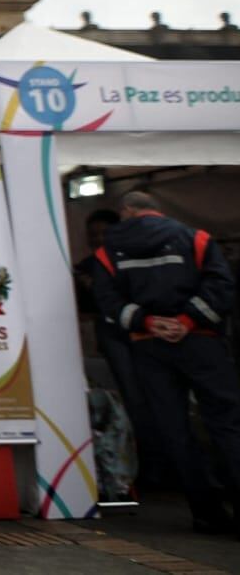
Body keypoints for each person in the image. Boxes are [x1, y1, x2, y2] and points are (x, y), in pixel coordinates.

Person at [92, 190, 240, 534]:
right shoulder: (196, 238)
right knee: (227, 424)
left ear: (127, 210)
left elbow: (109, 301)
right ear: (156, 211)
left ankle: (206, 513)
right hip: (201, 343)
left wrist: (148, 322)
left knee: (175, 431)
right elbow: (222, 285)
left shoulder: (107, 252)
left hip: (150, 349)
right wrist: (187, 322)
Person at [72, 208, 156, 490]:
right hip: (103, 345)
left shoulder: (128, 263)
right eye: (92, 233)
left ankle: (150, 466)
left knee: (142, 399)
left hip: (137, 337)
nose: (97, 238)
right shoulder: (83, 267)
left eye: (103, 232)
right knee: (122, 401)